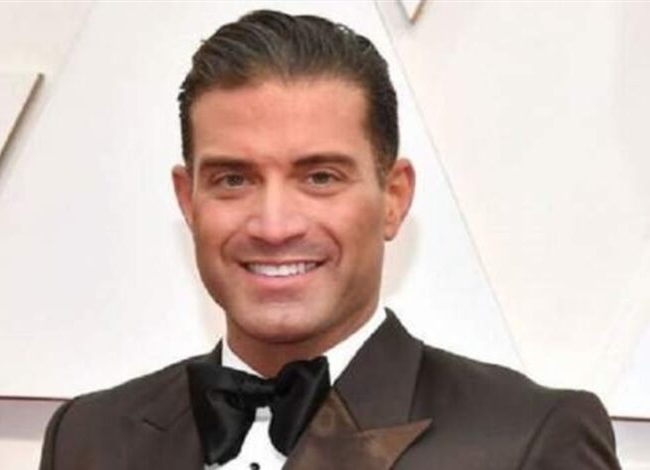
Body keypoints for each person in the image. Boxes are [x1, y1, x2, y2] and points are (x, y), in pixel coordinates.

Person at [39, 10, 619, 469]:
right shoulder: (86, 439)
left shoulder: (527, 441)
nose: (274, 226)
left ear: (393, 197)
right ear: (188, 201)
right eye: (233, 179)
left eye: (320, 177)